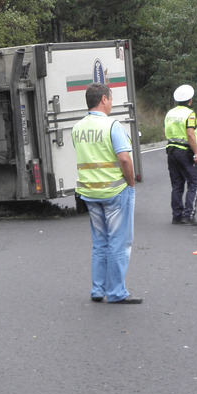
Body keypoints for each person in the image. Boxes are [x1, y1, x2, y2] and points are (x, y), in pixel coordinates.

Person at [71, 83, 141, 304]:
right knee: (119, 242)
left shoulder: (77, 128)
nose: (111, 103)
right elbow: (124, 159)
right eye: (110, 99)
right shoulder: (113, 126)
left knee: (100, 243)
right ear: (103, 99)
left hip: (90, 194)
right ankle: (117, 292)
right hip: (115, 192)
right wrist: (130, 184)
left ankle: (98, 290)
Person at [165, 84, 197, 226]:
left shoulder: (170, 113)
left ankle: (177, 216)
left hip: (171, 151)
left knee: (177, 185)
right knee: (194, 182)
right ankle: (189, 214)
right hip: (185, 152)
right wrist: (196, 153)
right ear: (190, 100)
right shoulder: (189, 114)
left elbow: (165, 131)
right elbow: (190, 133)